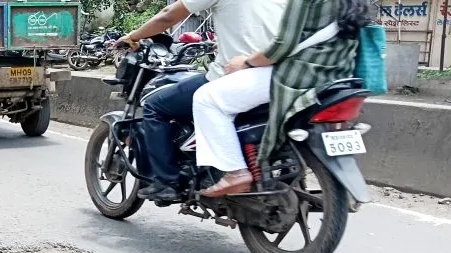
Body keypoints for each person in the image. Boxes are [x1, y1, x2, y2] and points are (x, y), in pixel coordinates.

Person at [113, 0, 287, 202]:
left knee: (155, 105)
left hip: (235, 77)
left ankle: (166, 183)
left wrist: (132, 36)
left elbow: (168, 14)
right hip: (279, 75)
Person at [193, 0, 370, 197]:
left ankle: (236, 171)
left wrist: (246, 61)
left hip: (298, 76)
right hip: (336, 77)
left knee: (206, 98)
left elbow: (282, 45)